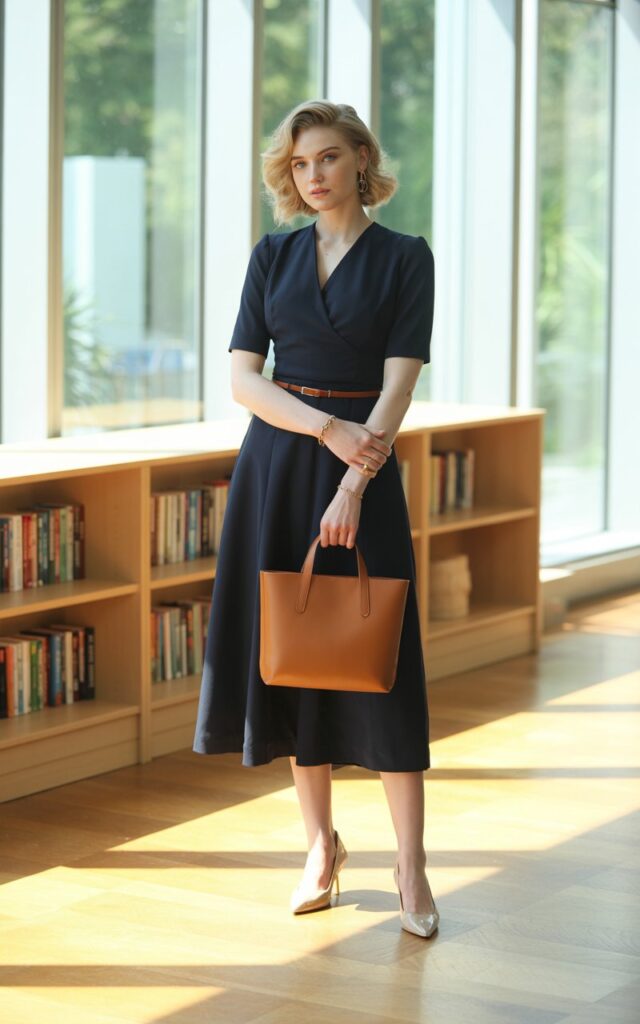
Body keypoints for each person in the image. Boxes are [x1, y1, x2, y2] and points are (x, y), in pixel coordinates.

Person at [193, 100, 438, 939]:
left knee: (380, 657)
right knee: (297, 654)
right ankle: (320, 848)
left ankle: (411, 865)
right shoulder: (273, 255)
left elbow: (398, 386)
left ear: (361, 161)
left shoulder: (406, 258)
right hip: (280, 465)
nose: (316, 174)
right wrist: (324, 430)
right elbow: (243, 380)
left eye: (331, 157)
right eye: (302, 163)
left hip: (362, 471)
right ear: (289, 173)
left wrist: (352, 479)